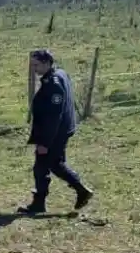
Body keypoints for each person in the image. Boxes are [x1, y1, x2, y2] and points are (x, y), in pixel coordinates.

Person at [19, 49, 93, 214]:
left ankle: (81, 190)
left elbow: (54, 117)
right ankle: (39, 202)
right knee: (44, 166)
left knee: (52, 164)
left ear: (47, 63)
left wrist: (44, 142)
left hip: (55, 133)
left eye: (37, 65)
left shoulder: (53, 83)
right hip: (60, 130)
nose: (34, 69)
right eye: (32, 65)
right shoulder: (59, 74)